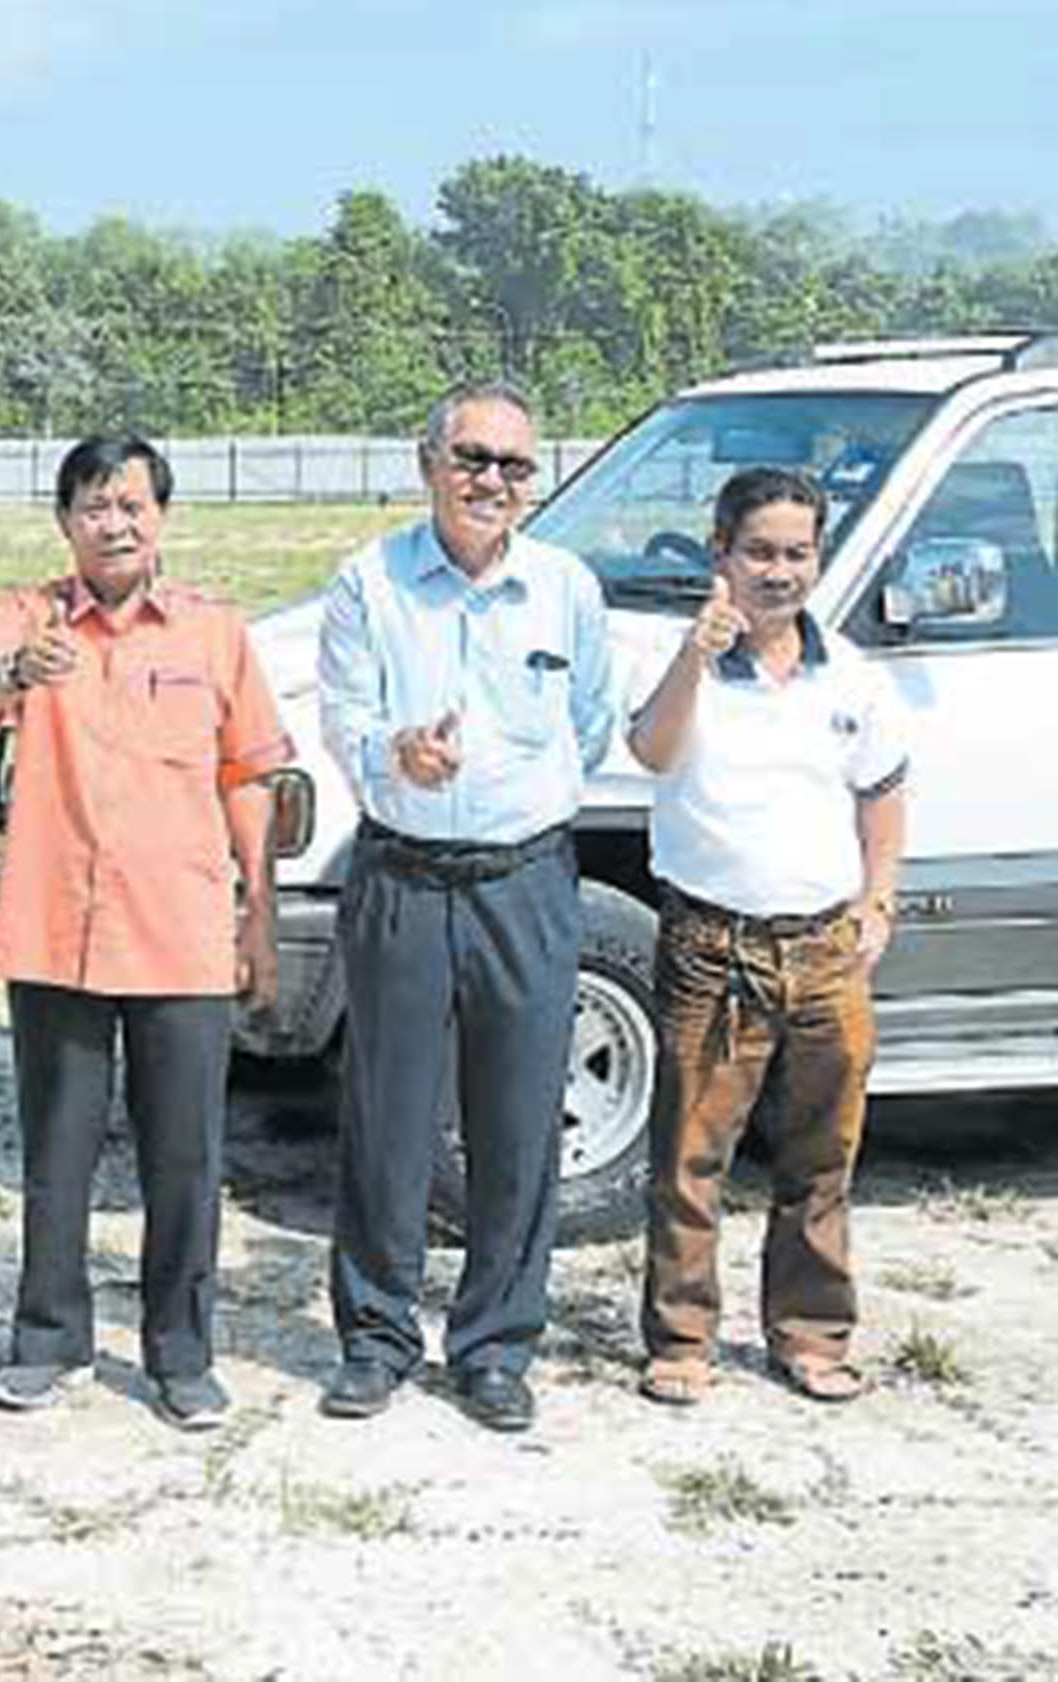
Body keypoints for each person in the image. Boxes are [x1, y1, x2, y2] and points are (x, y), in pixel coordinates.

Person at [0, 435, 292, 1431]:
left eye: (133, 505)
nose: (116, 524)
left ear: (162, 517)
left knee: (184, 1157)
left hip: (180, 930)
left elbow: (249, 775)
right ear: (65, 522)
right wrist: (19, 669)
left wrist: (259, 913)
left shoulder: (213, 631)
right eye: (95, 507)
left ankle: (181, 1353)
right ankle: (46, 1339)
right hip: (56, 924)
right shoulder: (28, 616)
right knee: (56, 1150)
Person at [315, 379, 615, 1433]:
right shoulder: (369, 582)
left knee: (519, 1122)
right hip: (402, 876)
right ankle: (375, 1337)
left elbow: (591, 721)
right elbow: (345, 718)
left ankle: (493, 1346)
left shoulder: (565, 588)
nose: (491, 480)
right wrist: (394, 752)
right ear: (428, 464)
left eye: (513, 464)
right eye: (472, 458)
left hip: (524, 883)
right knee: (386, 1120)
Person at [625, 467, 907, 1407]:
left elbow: (881, 792)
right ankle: (681, 1340)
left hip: (825, 949)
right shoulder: (682, 663)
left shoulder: (850, 674)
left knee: (821, 1158)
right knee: (688, 1158)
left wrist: (878, 900)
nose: (777, 572)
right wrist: (692, 658)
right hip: (711, 951)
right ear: (720, 555)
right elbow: (651, 751)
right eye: (757, 552)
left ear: (816, 559)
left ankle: (811, 1335)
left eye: (795, 553)